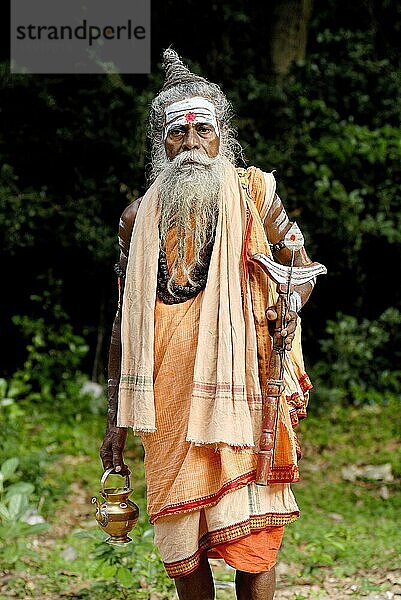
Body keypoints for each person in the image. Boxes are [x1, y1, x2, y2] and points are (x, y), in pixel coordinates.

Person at [100, 49, 325, 600]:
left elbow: (300, 262)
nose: (192, 142)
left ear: (221, 135)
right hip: (167, 404)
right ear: (164, 144)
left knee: (256, 538)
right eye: (179, 132)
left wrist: (291, 293)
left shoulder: (255, 195)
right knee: (183, 549)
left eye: (203, 128)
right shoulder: (137, 219)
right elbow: (122, 320)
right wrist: (114, 418)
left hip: (246, 394)